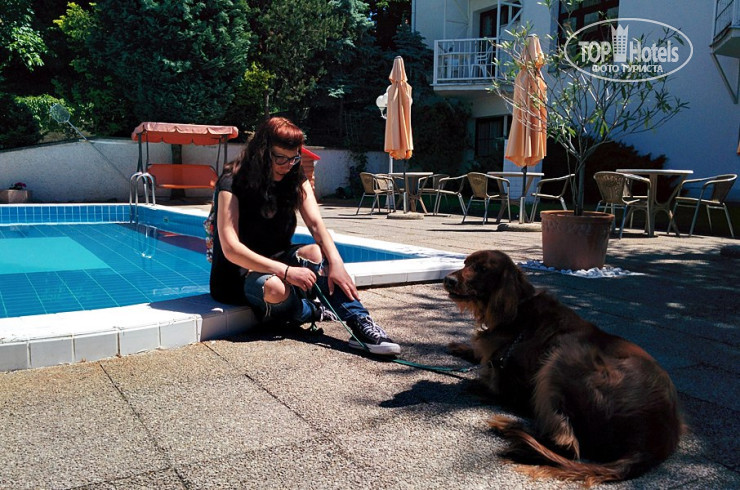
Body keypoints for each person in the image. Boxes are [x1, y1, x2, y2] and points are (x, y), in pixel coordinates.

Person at [209, 116, 400, 355]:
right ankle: (308, 311)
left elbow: (316, 225)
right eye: (281, 157)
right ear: (262, 151)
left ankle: (360, 322)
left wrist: (336, 264)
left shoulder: (294, 177)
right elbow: (231, 248)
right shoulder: (233, 180)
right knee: (275, 288)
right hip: (236, 274)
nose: (288, 165)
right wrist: (286, 271)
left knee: (316, 252)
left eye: (294, 158)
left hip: (278, 261)